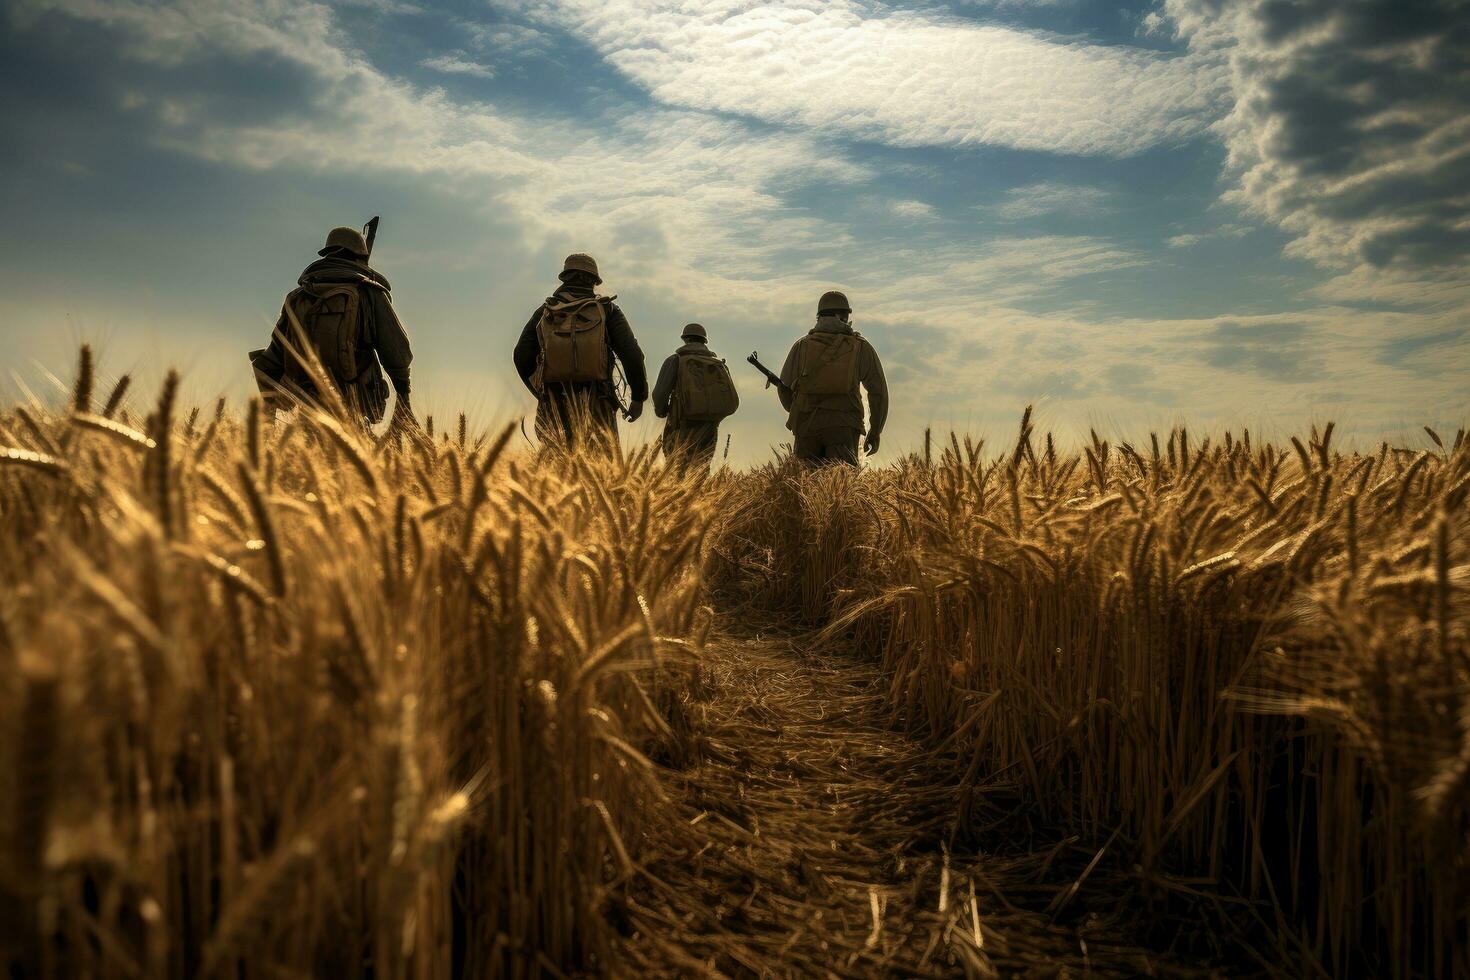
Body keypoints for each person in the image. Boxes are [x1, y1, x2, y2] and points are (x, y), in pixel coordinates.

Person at [250, 225, 414, 427]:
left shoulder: (297, 298)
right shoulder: (369, 293)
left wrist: (266, 422)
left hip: (307, 412)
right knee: (348, 458)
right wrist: (404, 395)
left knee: (308, 457)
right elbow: (398, 352)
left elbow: (271, 361)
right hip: (354, 409)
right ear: (360, 257)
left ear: (328, 255)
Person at [513, 253, 647, 451]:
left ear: (565, 277)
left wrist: (541, 393)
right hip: (598, 401)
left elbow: (521, 355)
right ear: (594, 281)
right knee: (602, 471)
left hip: (554, 402)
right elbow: (632, 355)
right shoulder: (607, 310)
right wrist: (638, 398)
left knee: (553, 469)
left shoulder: (547, 311)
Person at [778, 290, 887, 465]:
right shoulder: (860, 347)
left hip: (807, 428)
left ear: (819, 316)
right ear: (842, 316)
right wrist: (876, 430)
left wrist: (797, 410)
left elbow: (784, 387)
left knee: (805, 486)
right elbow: (878, 391)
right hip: (844, 427)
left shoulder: (801, 346)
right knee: (841, 487)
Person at [652, 323, 739, 472]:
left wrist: (663, 411)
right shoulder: (718, 365)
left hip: (681, 425)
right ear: (704, 341)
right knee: (701, 472)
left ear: (685, 339)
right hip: (710, 428)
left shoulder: (675, 361)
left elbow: (659, 394)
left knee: (676, 471)